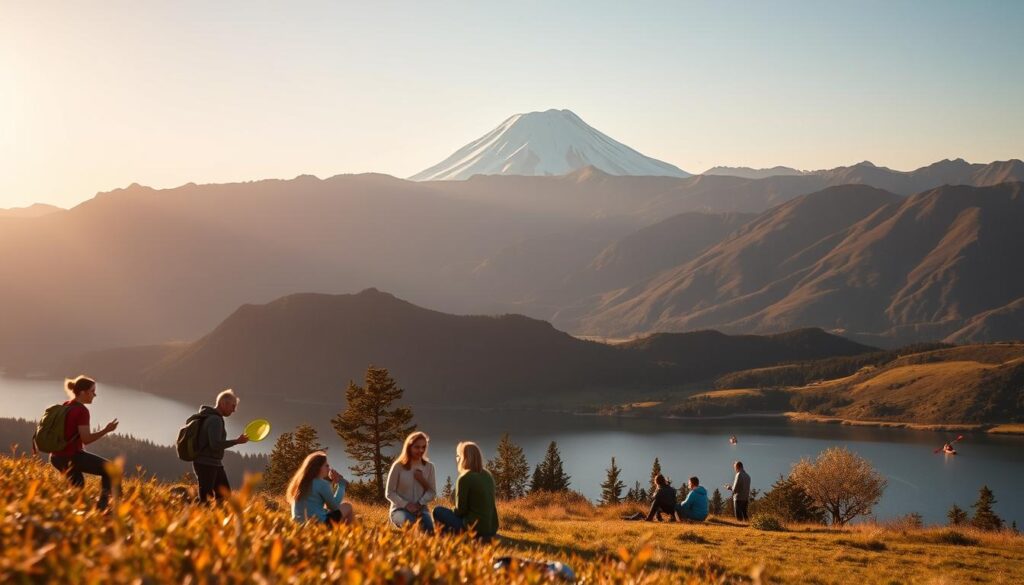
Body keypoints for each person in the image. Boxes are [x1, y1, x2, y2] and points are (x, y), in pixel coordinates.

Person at [48, 375, 120, 510]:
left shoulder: (66, 405)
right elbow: (86, 439)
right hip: (71, 457)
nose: (95, 395)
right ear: (82, 392)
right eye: (92, 391)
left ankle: (63, 509)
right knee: (112, 470)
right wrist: (106, 430)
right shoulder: (82, 411)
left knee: (78, 486)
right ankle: (103, 506)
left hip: (56, 457)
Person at [432, 441, 499, 540]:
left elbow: (460, 511)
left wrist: (452, 509)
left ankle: (445, 539)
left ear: (463, 458)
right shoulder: (487, 475)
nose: (457, 459)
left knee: (437, 511)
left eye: (458, 456)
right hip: (491, 529)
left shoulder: (464, 477)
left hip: (474, 529)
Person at [191, 389, 249, 503]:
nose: (234, 410)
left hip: (213, 463)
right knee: (206, 499)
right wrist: (237, 441)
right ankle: (198, 518)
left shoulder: (210, 416)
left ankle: (217, 518)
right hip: (206, 464)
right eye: (233, 406)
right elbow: (215, 444)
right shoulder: (215, 420)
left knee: (224, 495)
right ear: (223, 403)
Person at [386, 431, 436, 533]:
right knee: (414, 526)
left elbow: (432, 492)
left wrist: (419, 503)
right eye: (417, 447)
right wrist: (406, 505)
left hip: (422, 510)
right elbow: (389, 493)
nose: (421, 450)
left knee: (430, 531)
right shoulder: (398, 466)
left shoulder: (429, 467)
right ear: (409, 447)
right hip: (399, 510)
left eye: (423, 447)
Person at [287, 451, 354, 525]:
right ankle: (350, 535)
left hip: (299, 525)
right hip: (318, 525)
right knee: (347, 506)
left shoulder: (300, 482)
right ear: (318, 467)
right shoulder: (321, 483)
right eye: (326, 466)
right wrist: (341, 484)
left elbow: (324, 501)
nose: (329, 469)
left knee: (327, 511)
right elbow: (334, 506)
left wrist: (335, 483)